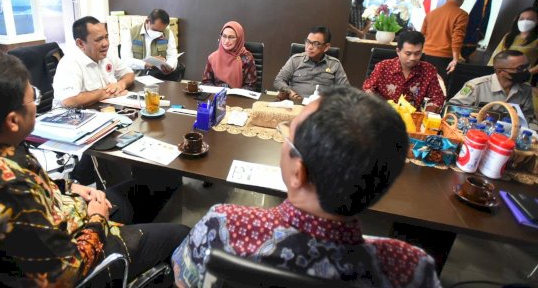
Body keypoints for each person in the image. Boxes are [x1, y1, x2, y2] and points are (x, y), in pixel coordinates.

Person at [0, 48, 189, 286]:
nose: (36, 102)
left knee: (159, 182)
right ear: (12, 121)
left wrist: (72, 186)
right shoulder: (7, 188)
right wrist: (98, 217)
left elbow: (36, 186)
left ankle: (142, 240)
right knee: (183, 234)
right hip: (81, 252)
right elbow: (67, 271)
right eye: (32, 97)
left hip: (68, 212)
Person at [172, 85, 440, 287]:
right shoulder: (411, 267)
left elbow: (182, 279)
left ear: (299, 173)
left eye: (289, 133)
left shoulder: (223, 224)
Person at [53, 16, 135, 108]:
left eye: (106, 37)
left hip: (102, 109)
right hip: (70, 117)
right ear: (80, 43)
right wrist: (103, 94)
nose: (106, 43)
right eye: (99, 39)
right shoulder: (69, 63)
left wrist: (120, 85)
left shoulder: (107, 54)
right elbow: (69, 101)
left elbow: (129, 74)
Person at [363, 30, 445, 111]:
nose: (413, 58)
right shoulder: (383, 67)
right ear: (398, 51)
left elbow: (438, 99)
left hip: (415, 119)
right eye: (408, 54)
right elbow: (368, 89)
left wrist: (427, 111)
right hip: (386, 115)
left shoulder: (428, 70)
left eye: (417, 53)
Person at [450, 49, 536, 124]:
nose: (526, 71)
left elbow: (526, 117)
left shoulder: (526, 89)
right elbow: (452, 108)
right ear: (500, 72)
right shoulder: (476, 86)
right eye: (520, 68)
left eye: (527, 66)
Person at [273, 26, 349, 100]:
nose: (309, 47)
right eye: (308, 42)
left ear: (326, 47)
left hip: (322, 108)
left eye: (316, 43)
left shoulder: (335, 64)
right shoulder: (296, 60)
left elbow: (345, 91)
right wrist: (290, 92)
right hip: (296, 104)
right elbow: (279, 81)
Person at [120, 8, 183, 81]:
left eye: (161, 31)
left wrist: (170, 67)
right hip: (137, 77)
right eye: (155, 30)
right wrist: (145, 64)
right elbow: (125, 60)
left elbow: (172, 56)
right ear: (147, 21)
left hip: (159, 76)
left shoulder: (168, 33)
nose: (158, 33)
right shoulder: (131, 33)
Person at [421, 0, 469, 81]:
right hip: (444, 57)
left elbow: (422, 34)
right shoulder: (461, 14)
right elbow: (457, 37)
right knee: (440, 87)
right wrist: (455, 59)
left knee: (424, 83)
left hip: (426, 54)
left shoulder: (431, 13)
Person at [202, 21, 257, 90]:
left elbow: (251, 86)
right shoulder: (212, 58)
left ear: (239, 38)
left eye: (231, 37)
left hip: (238, 98)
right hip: (217, 97)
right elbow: (206, 82)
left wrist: (235, 95)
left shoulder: (246, 58)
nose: (226, 41)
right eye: (224, 36)